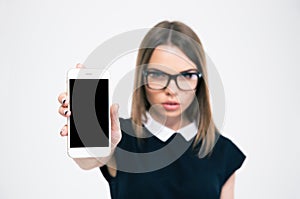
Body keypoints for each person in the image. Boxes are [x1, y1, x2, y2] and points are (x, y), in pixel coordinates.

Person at [58, 20, 246, 199]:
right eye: (157, 74)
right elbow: (90, 160)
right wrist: (87, 133)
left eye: (187, 75)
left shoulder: (223, 152)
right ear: (142, 77)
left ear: (200, 80)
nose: (171, 90)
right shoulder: (120, 137)